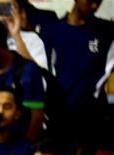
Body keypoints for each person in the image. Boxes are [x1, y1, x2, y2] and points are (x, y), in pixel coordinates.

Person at [22, 0, 114, 143]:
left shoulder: (107, 31)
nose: (95, 6)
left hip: (91, 115)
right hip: (58, 114)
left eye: (99, 2)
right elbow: (41, 68)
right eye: (91, 1)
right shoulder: (52, 30)